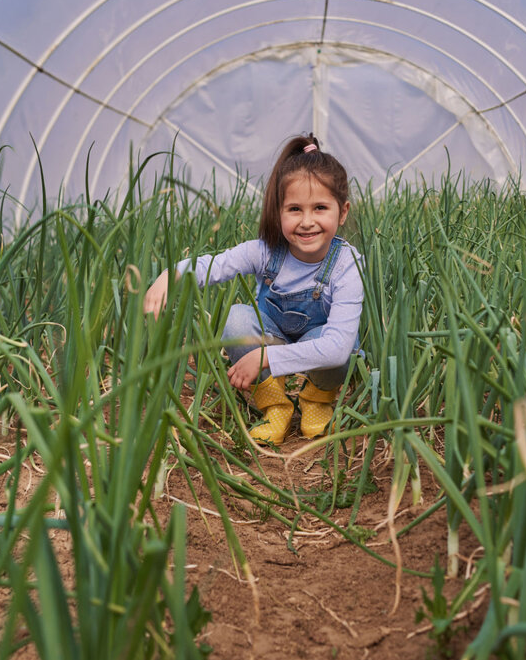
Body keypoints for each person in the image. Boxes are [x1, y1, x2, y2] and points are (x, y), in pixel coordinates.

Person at [143, 134, 363, 446]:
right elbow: (214, 266)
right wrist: (171, 274)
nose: (307, 221)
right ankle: (275, 405)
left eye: (320, 208)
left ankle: (317, 399)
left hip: (317, 344)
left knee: (346, 343)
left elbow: (337, 348)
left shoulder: (347, 263)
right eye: (295, 209)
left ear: (342, 212)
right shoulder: (265, 251)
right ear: (279, 211)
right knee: (236, 320)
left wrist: (267, 357)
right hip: (273, 333)